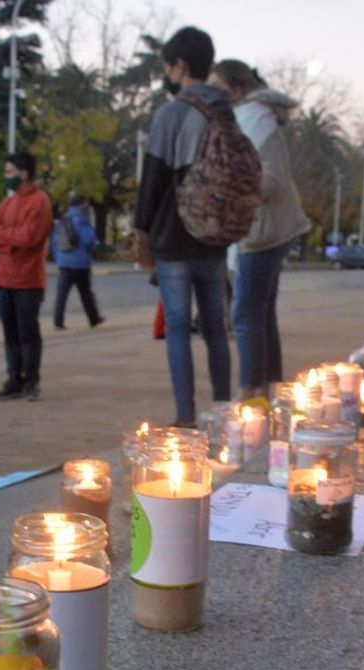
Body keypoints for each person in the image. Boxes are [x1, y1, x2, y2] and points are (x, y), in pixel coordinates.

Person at [134, 26, 234, 427]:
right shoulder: (226, 113)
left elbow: (154, 178)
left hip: (175, 236)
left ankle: (186, 417)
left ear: (180, 65)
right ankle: (226, 410)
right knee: (214, 326)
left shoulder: (172, 113)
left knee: (177, 328)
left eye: (169, 67)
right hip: (214, 235)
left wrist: (142, 232)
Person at [211, 60, 310, 399]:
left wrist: (228, 189)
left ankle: (251, 393)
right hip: (267, 228)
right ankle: (269, 388)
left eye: (218, 88)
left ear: (236, 91)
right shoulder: (252, 119)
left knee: (245, 312)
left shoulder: (254, 121)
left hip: (262, 231)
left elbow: (270, 181)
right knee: (261, 312)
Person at [0, 151, 53, 402]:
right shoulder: (8, 202)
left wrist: (6, 239)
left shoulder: (40, 202)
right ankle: (14, 377)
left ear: (23, 173)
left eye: (9, 172)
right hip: (2, 279)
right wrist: (9, 240)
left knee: (28, 333)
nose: (7, 177)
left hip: (28, 281)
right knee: (10, 333)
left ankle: (31, 380)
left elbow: (30, 238)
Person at [52, 194, 103, 331]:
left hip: (64, 262)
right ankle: (94, 318)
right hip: (80, 262)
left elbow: (55, 241)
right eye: (86, 202)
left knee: (61, 294)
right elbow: (88, 239)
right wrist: (93, 247)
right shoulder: (82, 219)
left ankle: (58, 321)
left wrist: (59, 258)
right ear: (82, 204)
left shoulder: (63, 219)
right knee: (85, 292)